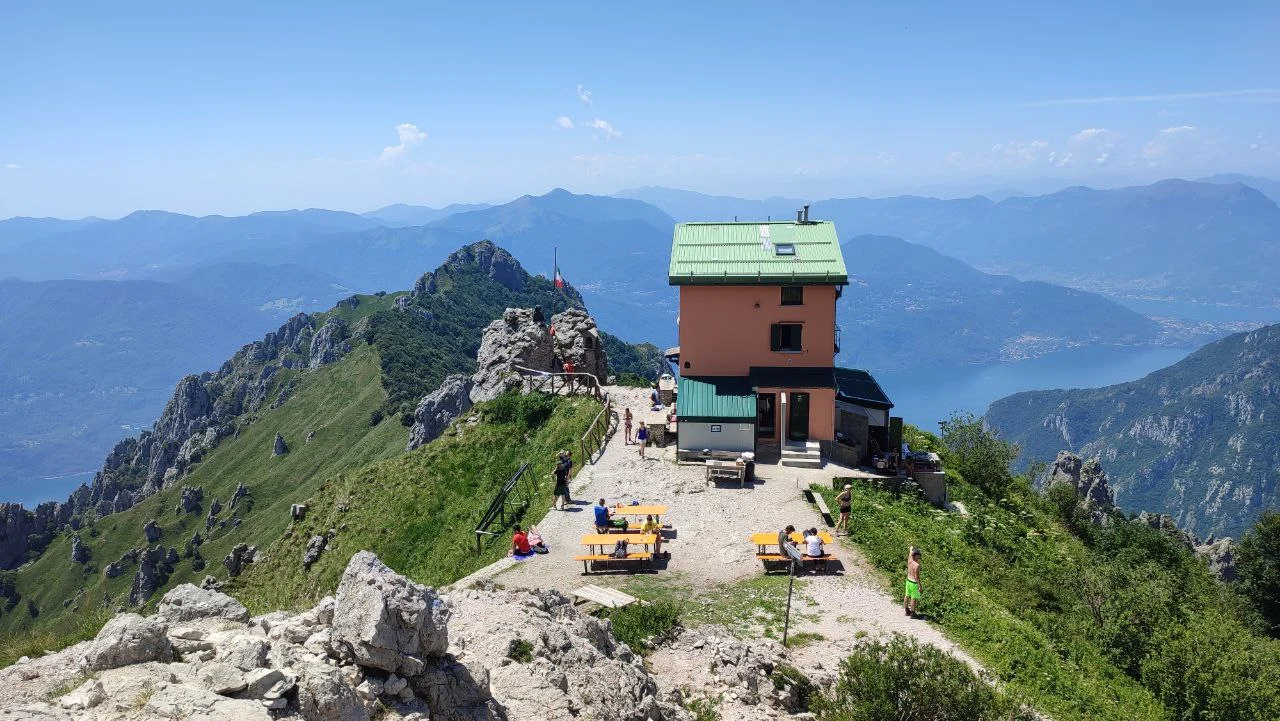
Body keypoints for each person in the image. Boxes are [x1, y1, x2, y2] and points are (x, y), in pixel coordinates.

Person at [904, 547, 923, 617]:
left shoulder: (910, 560)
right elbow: (917, 577)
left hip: (908, 580)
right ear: (916, 555)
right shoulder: (917, 565)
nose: (920, 556)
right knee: (913, 598)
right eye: (919, 555)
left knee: (907, 595)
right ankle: (912, 613)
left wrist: (911, 548)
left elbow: (910, 552)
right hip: (914, 583)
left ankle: (906, 610)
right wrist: (920, 587)